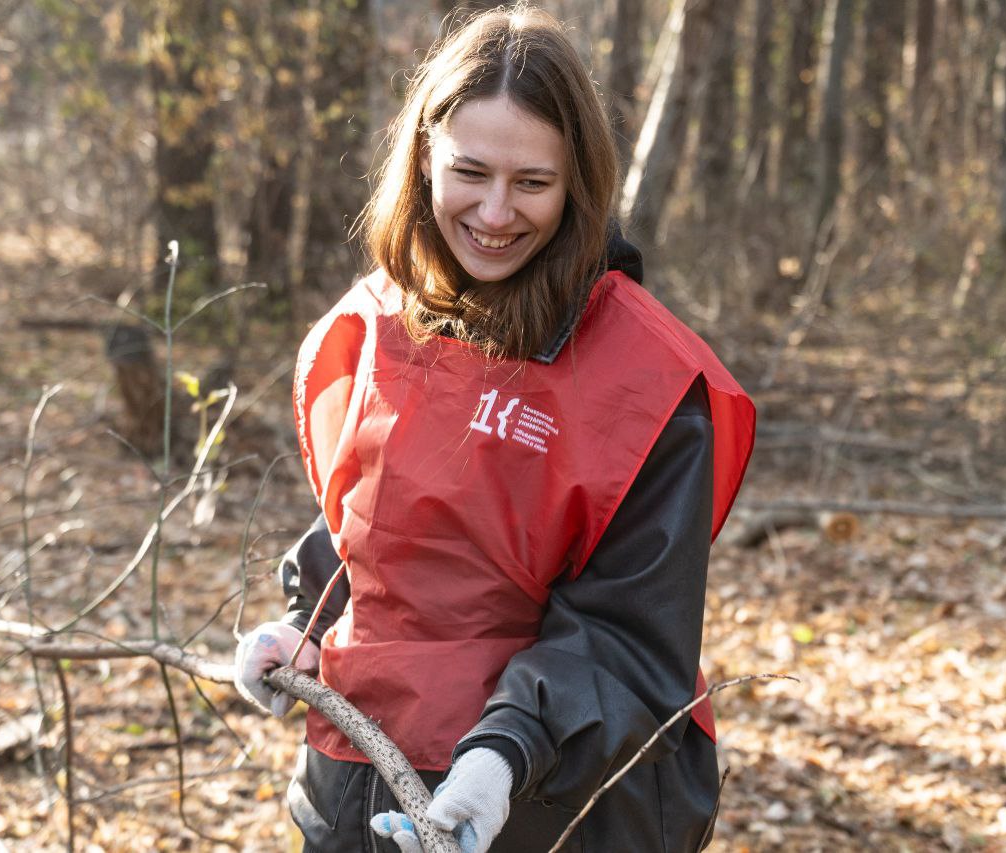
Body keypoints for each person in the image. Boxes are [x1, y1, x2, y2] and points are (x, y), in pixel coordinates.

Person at [233, 6, 755, 851]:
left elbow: (632, 628)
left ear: (579, 182)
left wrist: (507, 750)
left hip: (546, 794)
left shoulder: (651, 381)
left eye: (533, 183)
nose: (495, 212)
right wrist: (306, 623)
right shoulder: (372, 325)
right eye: (469, 172)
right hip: (355, 775)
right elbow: (373, 519)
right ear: (423, 158)